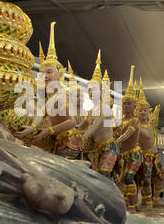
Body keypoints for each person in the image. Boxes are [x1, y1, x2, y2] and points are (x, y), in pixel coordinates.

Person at [15, 22, 82, 159]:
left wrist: (48, 131)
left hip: (70, 142)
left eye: (49, 72)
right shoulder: (49, 97)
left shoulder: (62, 95)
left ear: (60, 75)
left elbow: (72, 122)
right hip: (58, 140)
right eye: (43, 73)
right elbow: (40, 114)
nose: (45, 76)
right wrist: (33, 127)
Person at [80, 51, 119, 179]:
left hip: (109, 146)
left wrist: (84, 137)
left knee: (103, 175)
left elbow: (95, 125)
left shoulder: (104, 107)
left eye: (94, 90)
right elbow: (82, 125)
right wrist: (73, 131)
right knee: (95, 177)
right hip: (95, 149)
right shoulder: (91, 110)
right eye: (89, 90)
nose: (91, 93)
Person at [135, 78, 164, 208]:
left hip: (155, 155)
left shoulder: (151, 125)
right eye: (140, 110)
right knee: (145, 179)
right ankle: (146, 200)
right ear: (136, 112)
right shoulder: (136, 126)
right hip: (143, 156)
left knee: (160, 176)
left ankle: (156, 199)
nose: (143, 112)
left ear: (149, 112)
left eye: (145, 110)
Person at [115, 65, 143, 212]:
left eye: (129, 103)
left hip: (134, 154)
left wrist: (115, 141)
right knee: (120, 180)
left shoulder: (134, 121)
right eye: (124, 103)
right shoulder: (119, 120)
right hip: (122, 155)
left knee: (128, 178)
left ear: (134, 106)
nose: (126, 106)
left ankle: (133, 206)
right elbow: (114, 132)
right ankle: (125, 204)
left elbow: (127, 135)